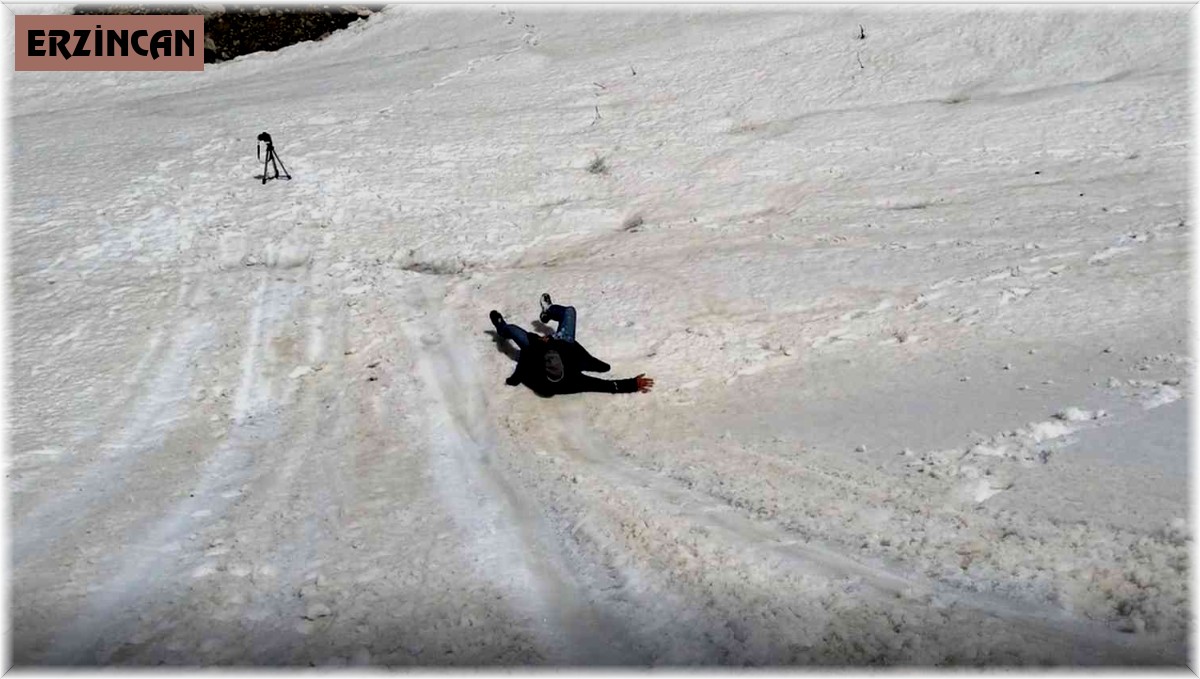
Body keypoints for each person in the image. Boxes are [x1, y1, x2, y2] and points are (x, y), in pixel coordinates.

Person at [490, 294, 654, 396]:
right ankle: (544, 312)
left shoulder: (538, 367)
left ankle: (505, 326)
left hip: (542, 344)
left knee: (512, 330)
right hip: (562, 341)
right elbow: (603, 385)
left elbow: (525, 359)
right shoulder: (572, 381)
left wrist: (514, 379)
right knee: (569, 312)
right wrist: (632, 384)